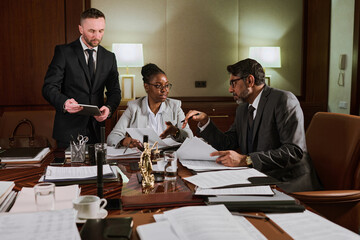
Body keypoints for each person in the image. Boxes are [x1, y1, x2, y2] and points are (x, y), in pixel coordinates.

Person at [182, 58, 321, 193]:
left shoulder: (283, 100)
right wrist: (205, 122)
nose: (230, 89)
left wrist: (246, 159)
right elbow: (227, 143)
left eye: (233, 83)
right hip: (258, 178)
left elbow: (293, 151)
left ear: (250, 80)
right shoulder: (243, 109)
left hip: (288, 182)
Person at [42, 8, 121, 148]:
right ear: (80, 29)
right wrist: (65, 103)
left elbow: (115, 92)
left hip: (97, 131)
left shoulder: (110, 57)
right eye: (92, 31)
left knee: (97, 170)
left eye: (101, 31)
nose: (97, 35)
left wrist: (108, 109)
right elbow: (48, 87)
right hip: (68, 131)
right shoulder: (64, 52)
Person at [107, 63, 193, 148]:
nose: (164, 90)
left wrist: (176, 132)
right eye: (158, 86)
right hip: (142, 157)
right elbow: (112, 137)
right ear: (146, 87)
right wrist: (125, 141)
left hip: (168, 156)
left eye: (167, 85)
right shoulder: (134, 107)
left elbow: (190, 137)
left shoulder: (175, 106)